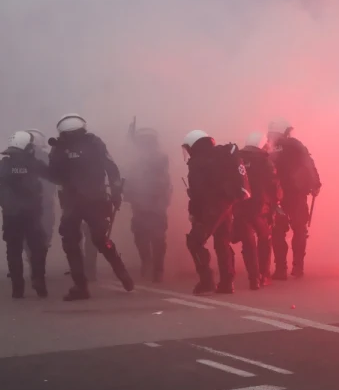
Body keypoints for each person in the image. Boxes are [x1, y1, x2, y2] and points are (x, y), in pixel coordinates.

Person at [47, 114, 133, 301]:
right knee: (101, 239)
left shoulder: (58, 148)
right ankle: (122, 273)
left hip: (72, 204)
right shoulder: (95, 143)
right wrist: (117, 194)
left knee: (71, 244)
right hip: (96, 200)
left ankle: (80, 286)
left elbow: (52, 176)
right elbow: (112, 168)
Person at [0, 132, 50, 299]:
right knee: (37, 248)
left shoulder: (2, 165)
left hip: (11, 215)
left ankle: (17, 288)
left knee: (13, 250)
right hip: (33, 213)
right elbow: (54, 177)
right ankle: (38, 280)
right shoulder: (34, 164)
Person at [184, 130, 249, 295]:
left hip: (211, 209)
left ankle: (207, 281)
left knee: (194, 241)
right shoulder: (220, 155)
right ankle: (227, 283)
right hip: (227, 204)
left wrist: (194, 213)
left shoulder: (198, 162)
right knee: (222, 242)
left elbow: (198, 193)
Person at [268, 119, 321, 279]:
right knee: (299, 230)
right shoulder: (295, 145)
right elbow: (308, 164)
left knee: (278, 232)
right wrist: (315, 185)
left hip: (276, 196)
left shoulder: (268, 146)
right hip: (296, 195)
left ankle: (280, 270)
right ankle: (297, 268)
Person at [124, 125, 173, 284]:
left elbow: (153, 166)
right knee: (140, 236)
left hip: (157, 203)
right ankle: (147, 262)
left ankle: (158, 270)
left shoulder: (160, 158)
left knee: (158, 238)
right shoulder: (137, 161)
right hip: (139, 203)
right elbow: (131, 179)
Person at [236, 132, 280, 290]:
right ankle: (264, 275)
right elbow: (273, 184)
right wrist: (277, 201)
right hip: (261, 207)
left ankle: (253, 279)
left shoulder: (237, 158)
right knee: (264, 239)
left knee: (248, 243)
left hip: (241, 206)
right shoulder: (264, 160)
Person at [26, 130, 57, 251]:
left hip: (40, 200)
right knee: (44, 227)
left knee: (43, 226)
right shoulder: (47, 157)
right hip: (41, 200)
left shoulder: (19, 158)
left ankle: (37, 251)